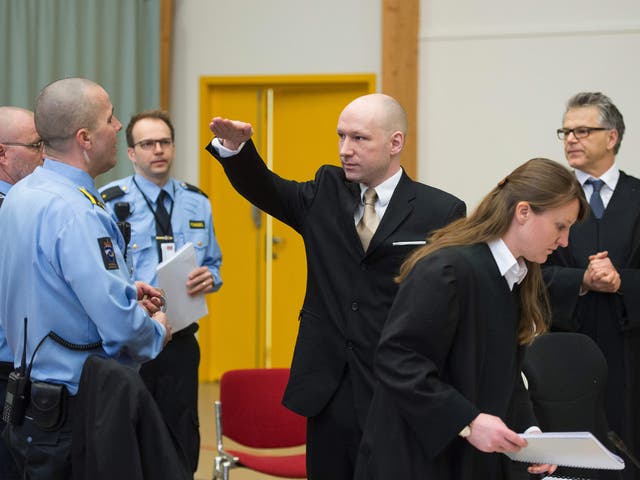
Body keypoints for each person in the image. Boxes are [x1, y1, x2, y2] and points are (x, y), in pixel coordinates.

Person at [207, 93, 466, 480]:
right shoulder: (325, 191)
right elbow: (266, 188)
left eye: (359, 139)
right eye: (341, 137)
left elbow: (451, 303)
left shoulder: (441, 211)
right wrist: (236, 149)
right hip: (329, 385)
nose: (346, 149)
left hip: (397, 385)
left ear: (395, 143)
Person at [354, 158, 587, 479]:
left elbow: (505, 371)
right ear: (523, 212)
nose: (564, 241)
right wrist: (468, 422)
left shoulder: (516, 274)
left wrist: (530, 432)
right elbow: (399, 360)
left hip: (466, 458)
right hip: (413, 459)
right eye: (560, 226)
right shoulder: (448, 269)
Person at [0, 78, 170, 479]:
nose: (117, 127)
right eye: (109, 118)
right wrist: (157, 329)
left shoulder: (21, 196)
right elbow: (122, 329)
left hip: (29, 404)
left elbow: (47, 288)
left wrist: (124, 292)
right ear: (85, 138)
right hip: (77, 412)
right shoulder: (77, 212)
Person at [100, 109, 222, 472]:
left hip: (181, 337)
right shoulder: (109, 201)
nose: (158, 150)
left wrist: (210, 279)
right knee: (132, 433)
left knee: (182, 431)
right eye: (148, 143)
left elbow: (213, 264)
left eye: (165, 142)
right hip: (132, 340)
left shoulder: (197, 201)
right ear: (132, 153)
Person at [544, 92, 640, 479]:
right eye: (565, 131)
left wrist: (621, 282)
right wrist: (578, 280)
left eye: (583, 130)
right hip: (565, 343)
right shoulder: (547, 198)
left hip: (630, 350)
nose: (571, 139)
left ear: (612, 137)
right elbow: (527, 273)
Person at [0, 106, 44, 479]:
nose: (45, 155)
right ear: (2, 153)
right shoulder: (13, 209)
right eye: (35, 145)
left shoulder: (27, 204)